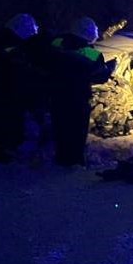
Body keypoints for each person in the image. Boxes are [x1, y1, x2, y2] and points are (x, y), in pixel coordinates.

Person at [47, 16, 115, 166]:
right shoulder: (91, 53)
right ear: (90, 33)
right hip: (77, 98)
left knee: (61, 129)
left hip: (57, 96)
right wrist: (110, 68)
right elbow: (100, 75)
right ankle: (74, 161)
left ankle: (61, 159)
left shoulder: (57, 42)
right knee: (77, 131)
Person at [0, 13, 39, 158]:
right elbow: (14, 70)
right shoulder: (8, 47)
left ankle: (3, 147)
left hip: (1, 90)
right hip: (6, 91)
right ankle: (4, 149)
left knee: (2, 119)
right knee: (6, 120)